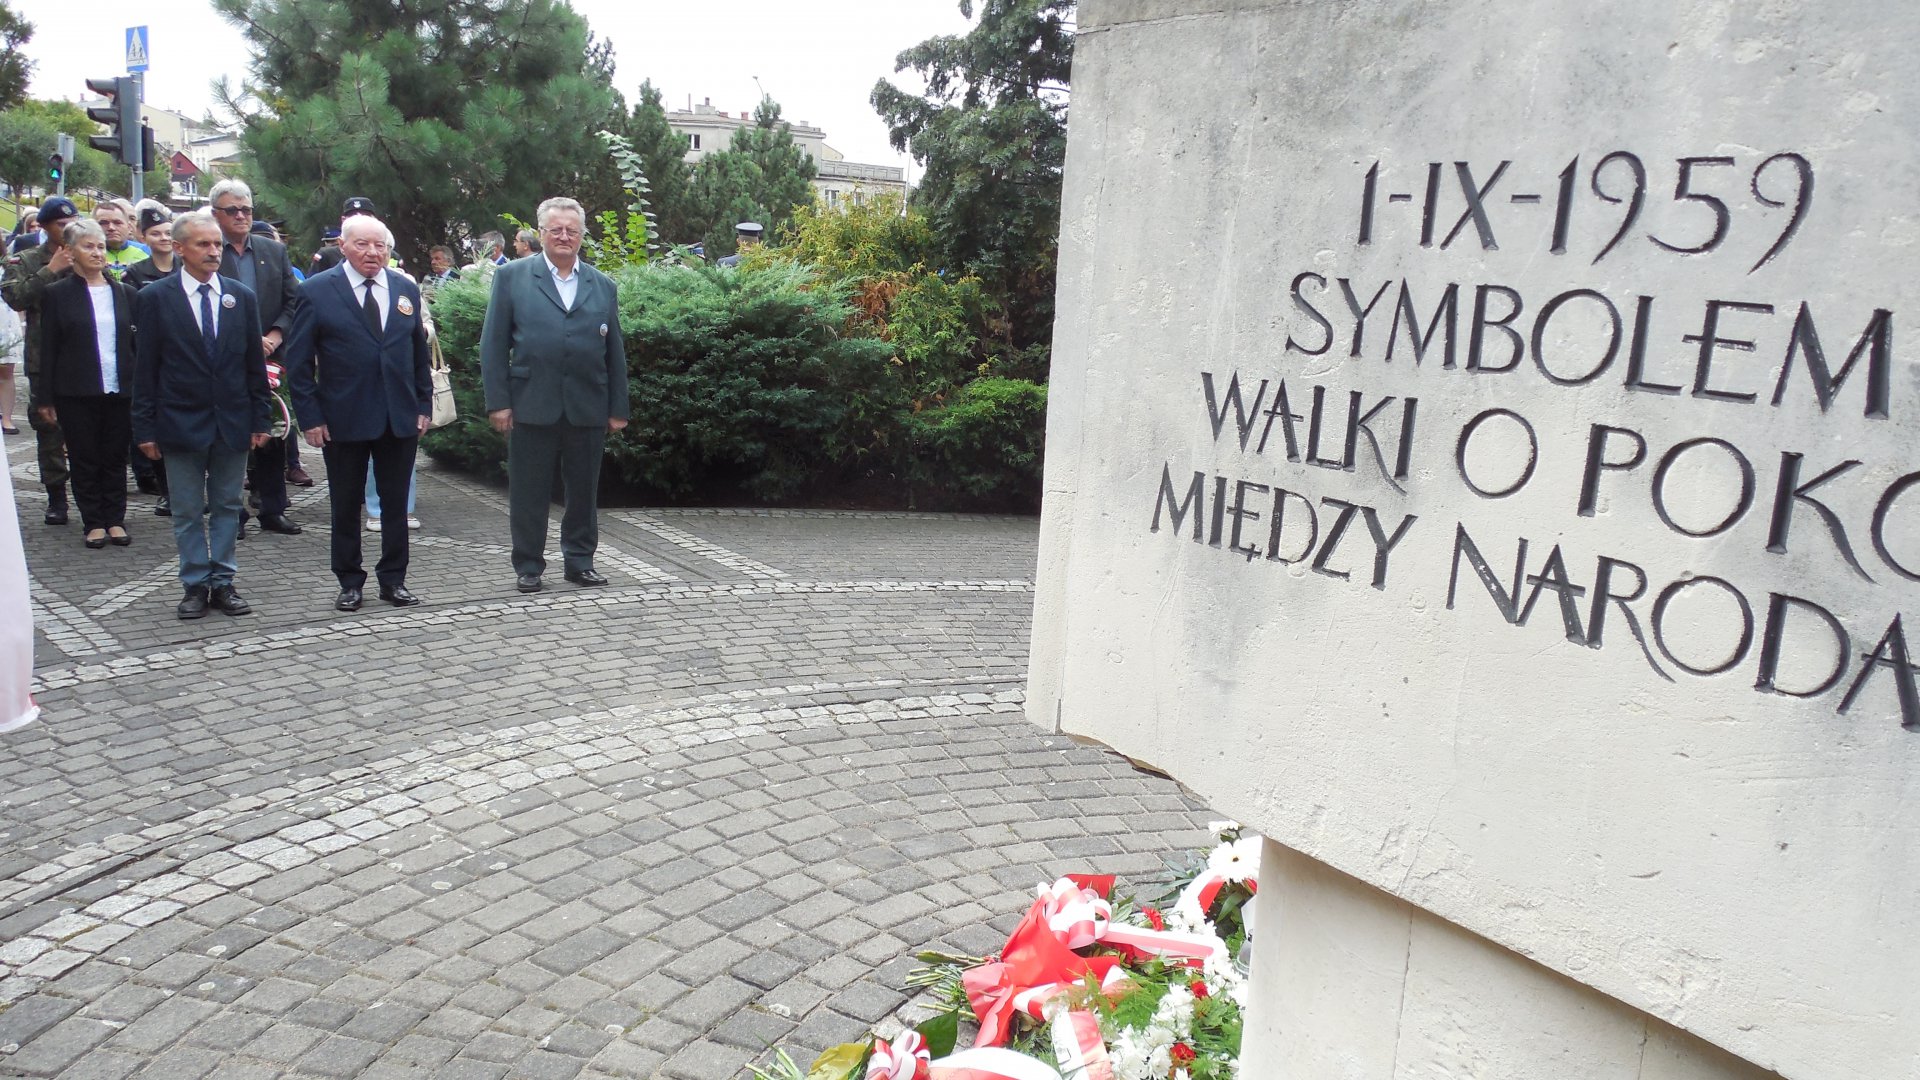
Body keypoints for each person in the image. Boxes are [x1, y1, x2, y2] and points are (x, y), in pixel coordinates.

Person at [479, 196, 629, 593]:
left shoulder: (602, 285)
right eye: (556, 230)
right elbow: (493, 345)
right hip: (531, 402)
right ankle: (529, 565)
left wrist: (618, 407)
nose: (564, 236)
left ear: (582, 235)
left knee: (583, 492)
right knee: (529, 491)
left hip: (587, 405)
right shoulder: (512, 277)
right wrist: (498, 402)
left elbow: (614, 350)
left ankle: (580, 562)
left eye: (572, 231)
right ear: (541, 233)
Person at [285, 214, 433, 612]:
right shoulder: (316, 290)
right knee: (346, 504)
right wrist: (310, 417)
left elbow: (417, 354)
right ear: (343, 246)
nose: (372, 253)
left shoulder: (404, 288)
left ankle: (394, 580)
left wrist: (423, 404)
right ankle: (349, 581)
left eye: (380, 246)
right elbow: (299, 363)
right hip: (342, 418)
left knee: (395, 505)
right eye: (362, 245)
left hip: (398, 416)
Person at [131, 211, 271, 619]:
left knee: (228, 505)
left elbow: (253, 365)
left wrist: (261, 419)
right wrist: (145, 427)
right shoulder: (156, 298)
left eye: (216, 244)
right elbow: (146, 369)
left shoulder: (239, 297)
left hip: (232, 422)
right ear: (179, 248)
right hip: (179, 422)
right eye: (203, 244)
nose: (213, 251)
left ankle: (223, 582)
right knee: (187, 509)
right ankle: (194, 584)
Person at [32, 219, 138, 549]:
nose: (97, 253)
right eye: (88, 246)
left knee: (115, 455)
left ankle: (115, 518)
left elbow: (136, 345)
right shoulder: (57, 294)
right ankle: (93, 521)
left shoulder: (125, 292)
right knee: (84, 456)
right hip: (75, 389)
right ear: (70, 251)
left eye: (101, 246)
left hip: (119, 388)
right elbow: (48, 347)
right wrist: (45, 398)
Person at [210, 179, 304, 537]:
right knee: (228, 438)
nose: (241, 216)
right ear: (216, 214)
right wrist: (248, 341)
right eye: (232, 210)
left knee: (273, 431)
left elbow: (293, 300)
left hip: (271, 356)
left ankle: (272, 508)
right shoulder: (208, 250)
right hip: (224, 359)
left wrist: (275, 335)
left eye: (246, 209)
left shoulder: (273, 251)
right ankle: (232, 512)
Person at [1, 194, 81, 525]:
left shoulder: (88, 253)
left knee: (89, 431)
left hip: (84, 356)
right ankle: (57, 498)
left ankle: (94, 497)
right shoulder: (26, 259)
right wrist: (51, 270)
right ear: (45, 227)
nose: (69, 229)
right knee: (49, 430)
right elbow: (15, 297)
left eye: (73, 223)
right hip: (44, 358)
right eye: (61, 224)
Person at [311, 196, 377, 275]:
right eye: (353, 217)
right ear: (343, 220)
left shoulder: (384, 252)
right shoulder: (326, 255)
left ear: (374, 220)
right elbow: (314, 281)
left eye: (365, 216)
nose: (359, 220)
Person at [121, 203, 177, 290]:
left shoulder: (187, 267)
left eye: (168, 233)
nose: (164, 238)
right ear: (144, 239)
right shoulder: (134, 272)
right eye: (155, 234)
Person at [92, 200, 150, 280]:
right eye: (103, 223)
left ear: (129, 227)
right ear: (93, 226)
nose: (111, 228)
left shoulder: (147, 251)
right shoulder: (85, 253)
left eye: (117, 222)